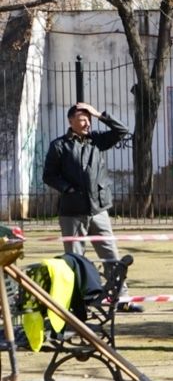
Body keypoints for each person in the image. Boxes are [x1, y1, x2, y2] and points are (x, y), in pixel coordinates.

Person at [42, 101, 140, 311]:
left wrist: (99, 114)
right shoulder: (59, 145)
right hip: (72, 212)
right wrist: (67, 189)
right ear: (71, 121)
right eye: (81, 118)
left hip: (98, 209)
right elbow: (49, 175)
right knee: (76, 259)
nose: (86, 122)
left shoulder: (96, 141)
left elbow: (121, 131)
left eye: (88, 118)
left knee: (111, 255)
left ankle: (121, 299)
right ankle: (80, 303)